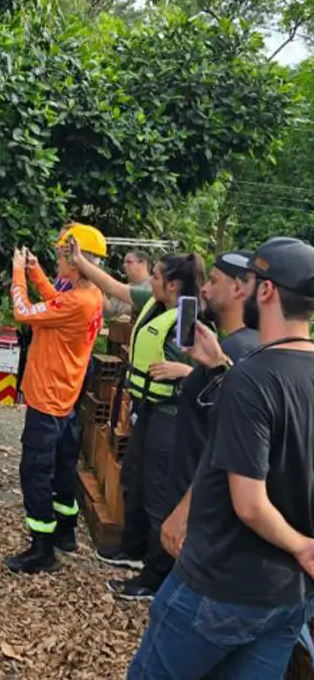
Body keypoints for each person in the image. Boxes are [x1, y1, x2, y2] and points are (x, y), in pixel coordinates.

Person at [128, 236, 314, 679]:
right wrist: (216, 368)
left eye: (248, 282)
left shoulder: (253, 379)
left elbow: (249, 503)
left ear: (265, 291)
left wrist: (302, 546)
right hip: (287, 595)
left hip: (222, 581)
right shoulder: (256, 374)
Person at [109, 251, 260, 600]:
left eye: (214, 281)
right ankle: (147, 562)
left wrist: (189, 371)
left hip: (179, 431)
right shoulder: (220, 342)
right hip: (169, 424)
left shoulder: (244, 347)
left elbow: (239, 410)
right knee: (142, 483)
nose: (204, 289)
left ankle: (156, 575)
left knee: (161, 496)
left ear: (241, 289)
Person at [72, 247, 204, 581]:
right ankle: (132, 548)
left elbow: (209, 372)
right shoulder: (155, 303)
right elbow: (115, 288)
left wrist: (184, 371)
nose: (151, 281)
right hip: (147, 407)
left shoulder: (187, 319)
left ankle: (157, 571)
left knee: (157, 490)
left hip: (170, 415)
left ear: (173, 285)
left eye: (157, 277)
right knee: (133, 478)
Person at [4, 224, 106, 573]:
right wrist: (34, 270)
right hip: (65, 397)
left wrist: (18, 273)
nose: (58, 261)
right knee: (63, 469)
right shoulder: (90, 296)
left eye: (62, 256)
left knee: (35, 471)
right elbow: (53, 299)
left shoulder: (78, 301)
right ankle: (66, 533)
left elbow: (23, 311)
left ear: (76, 262)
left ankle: (41, 550)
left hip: (47, 400)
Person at [105, 250, 152, 319]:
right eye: (124, 263)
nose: (124, 265)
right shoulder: (124, 287)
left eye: (129, 262)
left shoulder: (154, 286)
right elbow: (109, 312)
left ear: (143, 263)